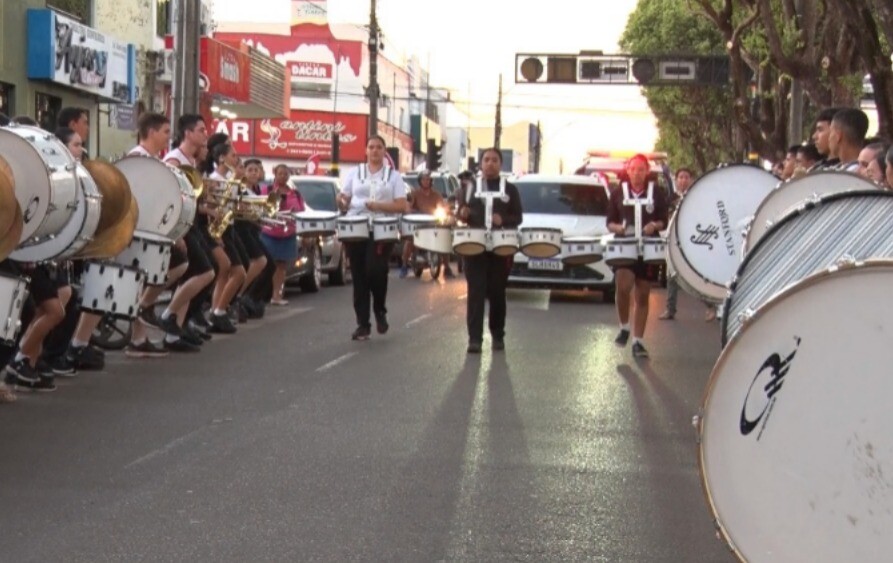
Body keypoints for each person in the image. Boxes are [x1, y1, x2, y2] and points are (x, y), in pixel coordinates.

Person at [337, 135, 407, 341]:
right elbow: (344, 198)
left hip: (382, 228)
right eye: (371, 147)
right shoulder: (354, 173)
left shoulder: (393, 176)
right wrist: (341, 200)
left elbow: (402, 205)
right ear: (365, 150)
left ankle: (379, 309)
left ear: (384, 151)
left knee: (376, 269)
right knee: (358, 275)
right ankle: (363, 324)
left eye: (379, 147)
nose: (375, 151)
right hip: (356, 227)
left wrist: (379, 206)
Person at [455, 148, 523, 354]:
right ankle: (474, 339)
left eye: (494, 160)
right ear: (481, 163)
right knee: (475, 291)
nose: (490, 163)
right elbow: (461, 213)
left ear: (500, 164)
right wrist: (463, 213)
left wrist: (504, 220)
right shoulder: (470, 187)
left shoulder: (510, 189)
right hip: (474, 246)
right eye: (486, 160)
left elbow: (518, 218)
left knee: (496, 291)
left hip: (500, 248)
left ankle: (497, 335)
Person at [607, 154, 669, 358]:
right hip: (625, 247)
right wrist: (620, 228)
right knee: (623, 286)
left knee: (643, 294)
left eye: (641, 169)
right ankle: (624, 326)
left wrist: (654, 225)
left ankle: (638, 341)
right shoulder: (618, 192)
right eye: (633, 169)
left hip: (648, 248)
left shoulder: (656, 192)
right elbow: (609, 222)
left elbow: (663, 221)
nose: (637, 173)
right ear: (628, 170)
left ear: (647, 171)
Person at [260, 164, 304, 306]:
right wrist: (276, 197)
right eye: (280, 174)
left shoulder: (295, 193)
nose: (283, 177)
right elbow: (262, 209)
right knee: (267, 264)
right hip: (269, 233)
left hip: (288, 233)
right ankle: (261, 294)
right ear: (275, 174)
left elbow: (301, 212)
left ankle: (277, 295)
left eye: (286, 174)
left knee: (281, 266)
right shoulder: (267, 190)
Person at [400, 170, 455, 279]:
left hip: (433, 223)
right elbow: (409, 205)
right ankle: (404, 265)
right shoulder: (415, 193)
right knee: (410, 241)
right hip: (418, 225)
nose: (426, 182)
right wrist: (410, 210)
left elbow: (442, 205)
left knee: (443, 240)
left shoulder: (436, 194)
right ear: (420, 181)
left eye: (428, 180)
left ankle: (447, 268)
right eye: (424, 179)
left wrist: (446, 210)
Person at [828, 108, 869, 172]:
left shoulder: (857, 173)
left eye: (830, 132)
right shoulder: (867, 172)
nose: (829, 138)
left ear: (838, 136)